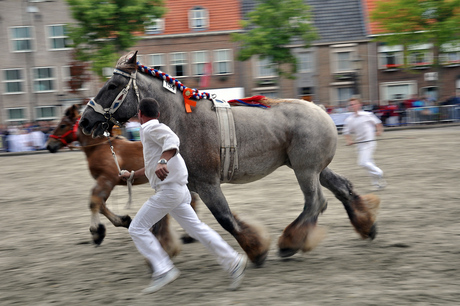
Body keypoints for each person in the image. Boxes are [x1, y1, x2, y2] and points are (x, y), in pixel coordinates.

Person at [119, 97, 247, 294]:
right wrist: (132, 175)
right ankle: (234, 261)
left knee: (137, 228)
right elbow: (153, 165)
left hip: (169, 191)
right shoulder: (151, 131)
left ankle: (163, 270)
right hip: (178, 191)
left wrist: (163, 160)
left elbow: (173, 141)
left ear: (140, 115)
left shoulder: (151, 128)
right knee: (197, 229)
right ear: (158, 113)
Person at [343, 97, 386, 190]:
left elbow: (378, 123)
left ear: (359, 105)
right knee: (369, 163)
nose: (352, 106)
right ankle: (377, 184)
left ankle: (379, 172)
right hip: (360, 143)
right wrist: (349, 140)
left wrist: (379, 131)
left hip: (369, 142)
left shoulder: (367, 115)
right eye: (351, 104)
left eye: (354, 104)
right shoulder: (350, 119)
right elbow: (346, 132)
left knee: (363, 162)